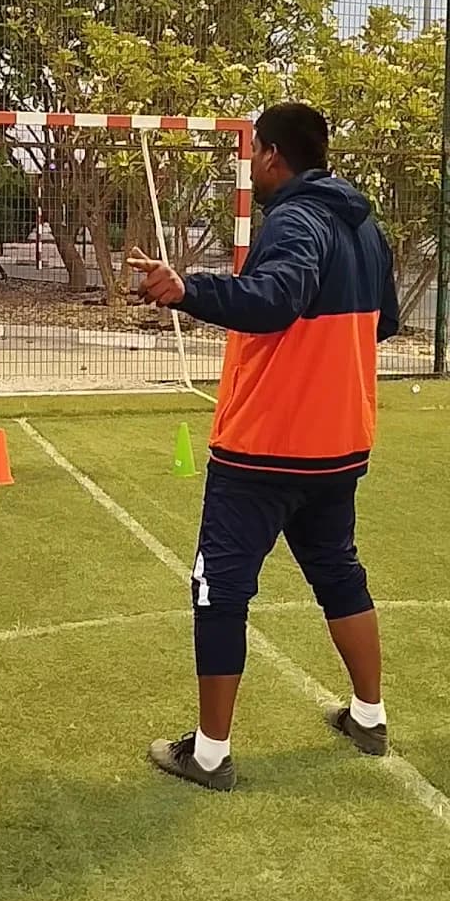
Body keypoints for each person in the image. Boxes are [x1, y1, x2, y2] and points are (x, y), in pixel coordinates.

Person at [129, 103, 399, 792]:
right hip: (341, 444)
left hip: (267, 449)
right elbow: (386, 322)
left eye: (253, 152)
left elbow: (275, 298)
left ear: (274, 155)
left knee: (218, 589)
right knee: (339, 572)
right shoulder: (365, 225)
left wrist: (188, 289)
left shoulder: (296, 220)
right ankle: (369, 715)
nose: (249, 164)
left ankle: (210, 755)